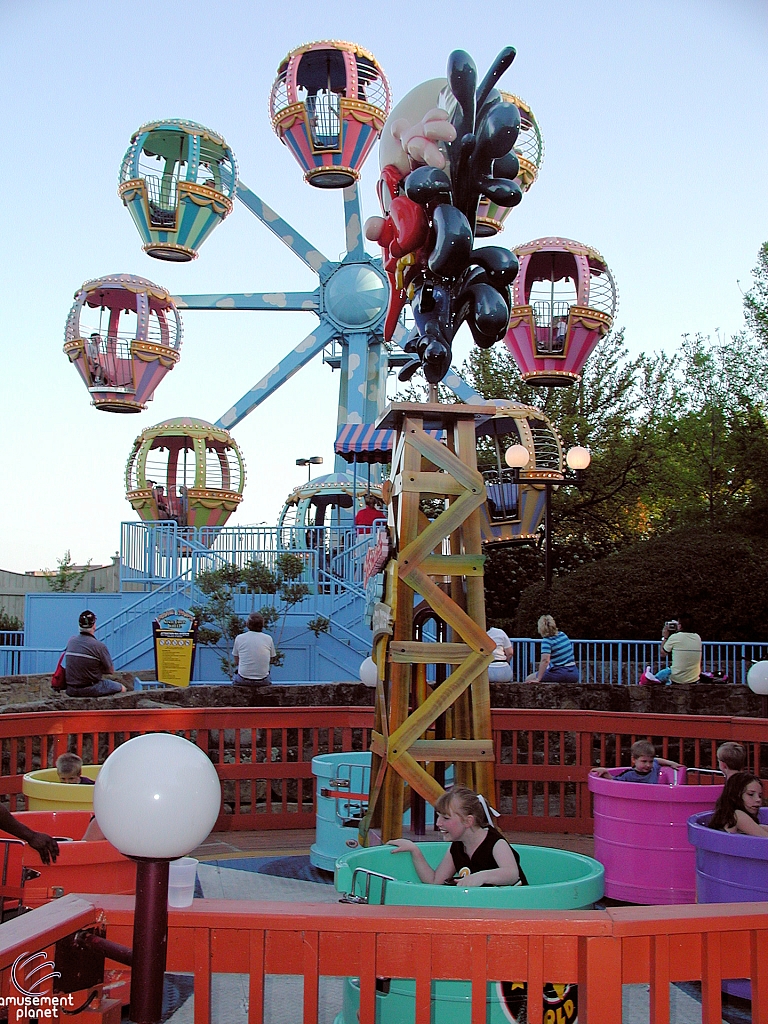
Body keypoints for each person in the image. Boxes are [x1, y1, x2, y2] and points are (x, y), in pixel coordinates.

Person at [389, 786, 527, 887]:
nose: (438, 823)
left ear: (468, 821)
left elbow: (511, 873)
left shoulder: (495, 842)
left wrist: (482, 876)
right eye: (438, 817)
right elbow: (435, 881)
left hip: (512, 909)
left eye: (446, 818)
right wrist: (415, 850)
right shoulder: (458, 847)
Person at [65, 611, 126, 698]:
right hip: (90, 688)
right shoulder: (99, 646)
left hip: (71, 689)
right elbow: (110, 670)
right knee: (122, 688)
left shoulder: (71, 641)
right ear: (94, 626)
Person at [590, 739, 681, 783]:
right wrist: (605, 772)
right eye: (644, 761)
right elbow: (615, 781)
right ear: (634, 760)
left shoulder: (654, 767)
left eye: (650, 761)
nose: (648, 765)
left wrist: (671, 763)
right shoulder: (629, 775)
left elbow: (657, 760)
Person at [708, 772, 768, 837]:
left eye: (760, 795)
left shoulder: (729, 816)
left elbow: (760, 828)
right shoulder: (737, 815)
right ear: (735, 796)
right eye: (751, 794)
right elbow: (765, 838)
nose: (758, 799)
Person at [647, 616, 702, 685]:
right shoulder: (697, 637)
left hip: (677, 679)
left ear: (680, 626)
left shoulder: (675, 637)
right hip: (694, 678)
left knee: (661, 675)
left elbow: (662, 654)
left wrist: (665, 637)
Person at [525, 615, 579, 683]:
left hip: (561, 673)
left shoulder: (547, 641)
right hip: (573, 672)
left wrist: (538, 679)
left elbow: (545, 661)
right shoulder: (563, 635)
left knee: (529, 678)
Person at [232, 612, 276, 686]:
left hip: (243, 679)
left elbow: (237, 661)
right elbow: (271, 659)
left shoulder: (239, 638)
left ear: (248, 624)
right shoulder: (268, 638)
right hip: (263, 679)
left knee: (235, 679)